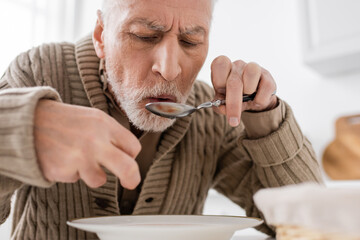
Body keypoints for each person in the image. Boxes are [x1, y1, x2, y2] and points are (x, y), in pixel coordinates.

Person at [0, 0, 323, 239]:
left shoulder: (211, 117)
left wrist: (266, 118)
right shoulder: (39, 70)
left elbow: (314, 223)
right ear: (101, 36)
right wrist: (19, 128)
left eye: (191, 41)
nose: (169, 69)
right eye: (144, 36)